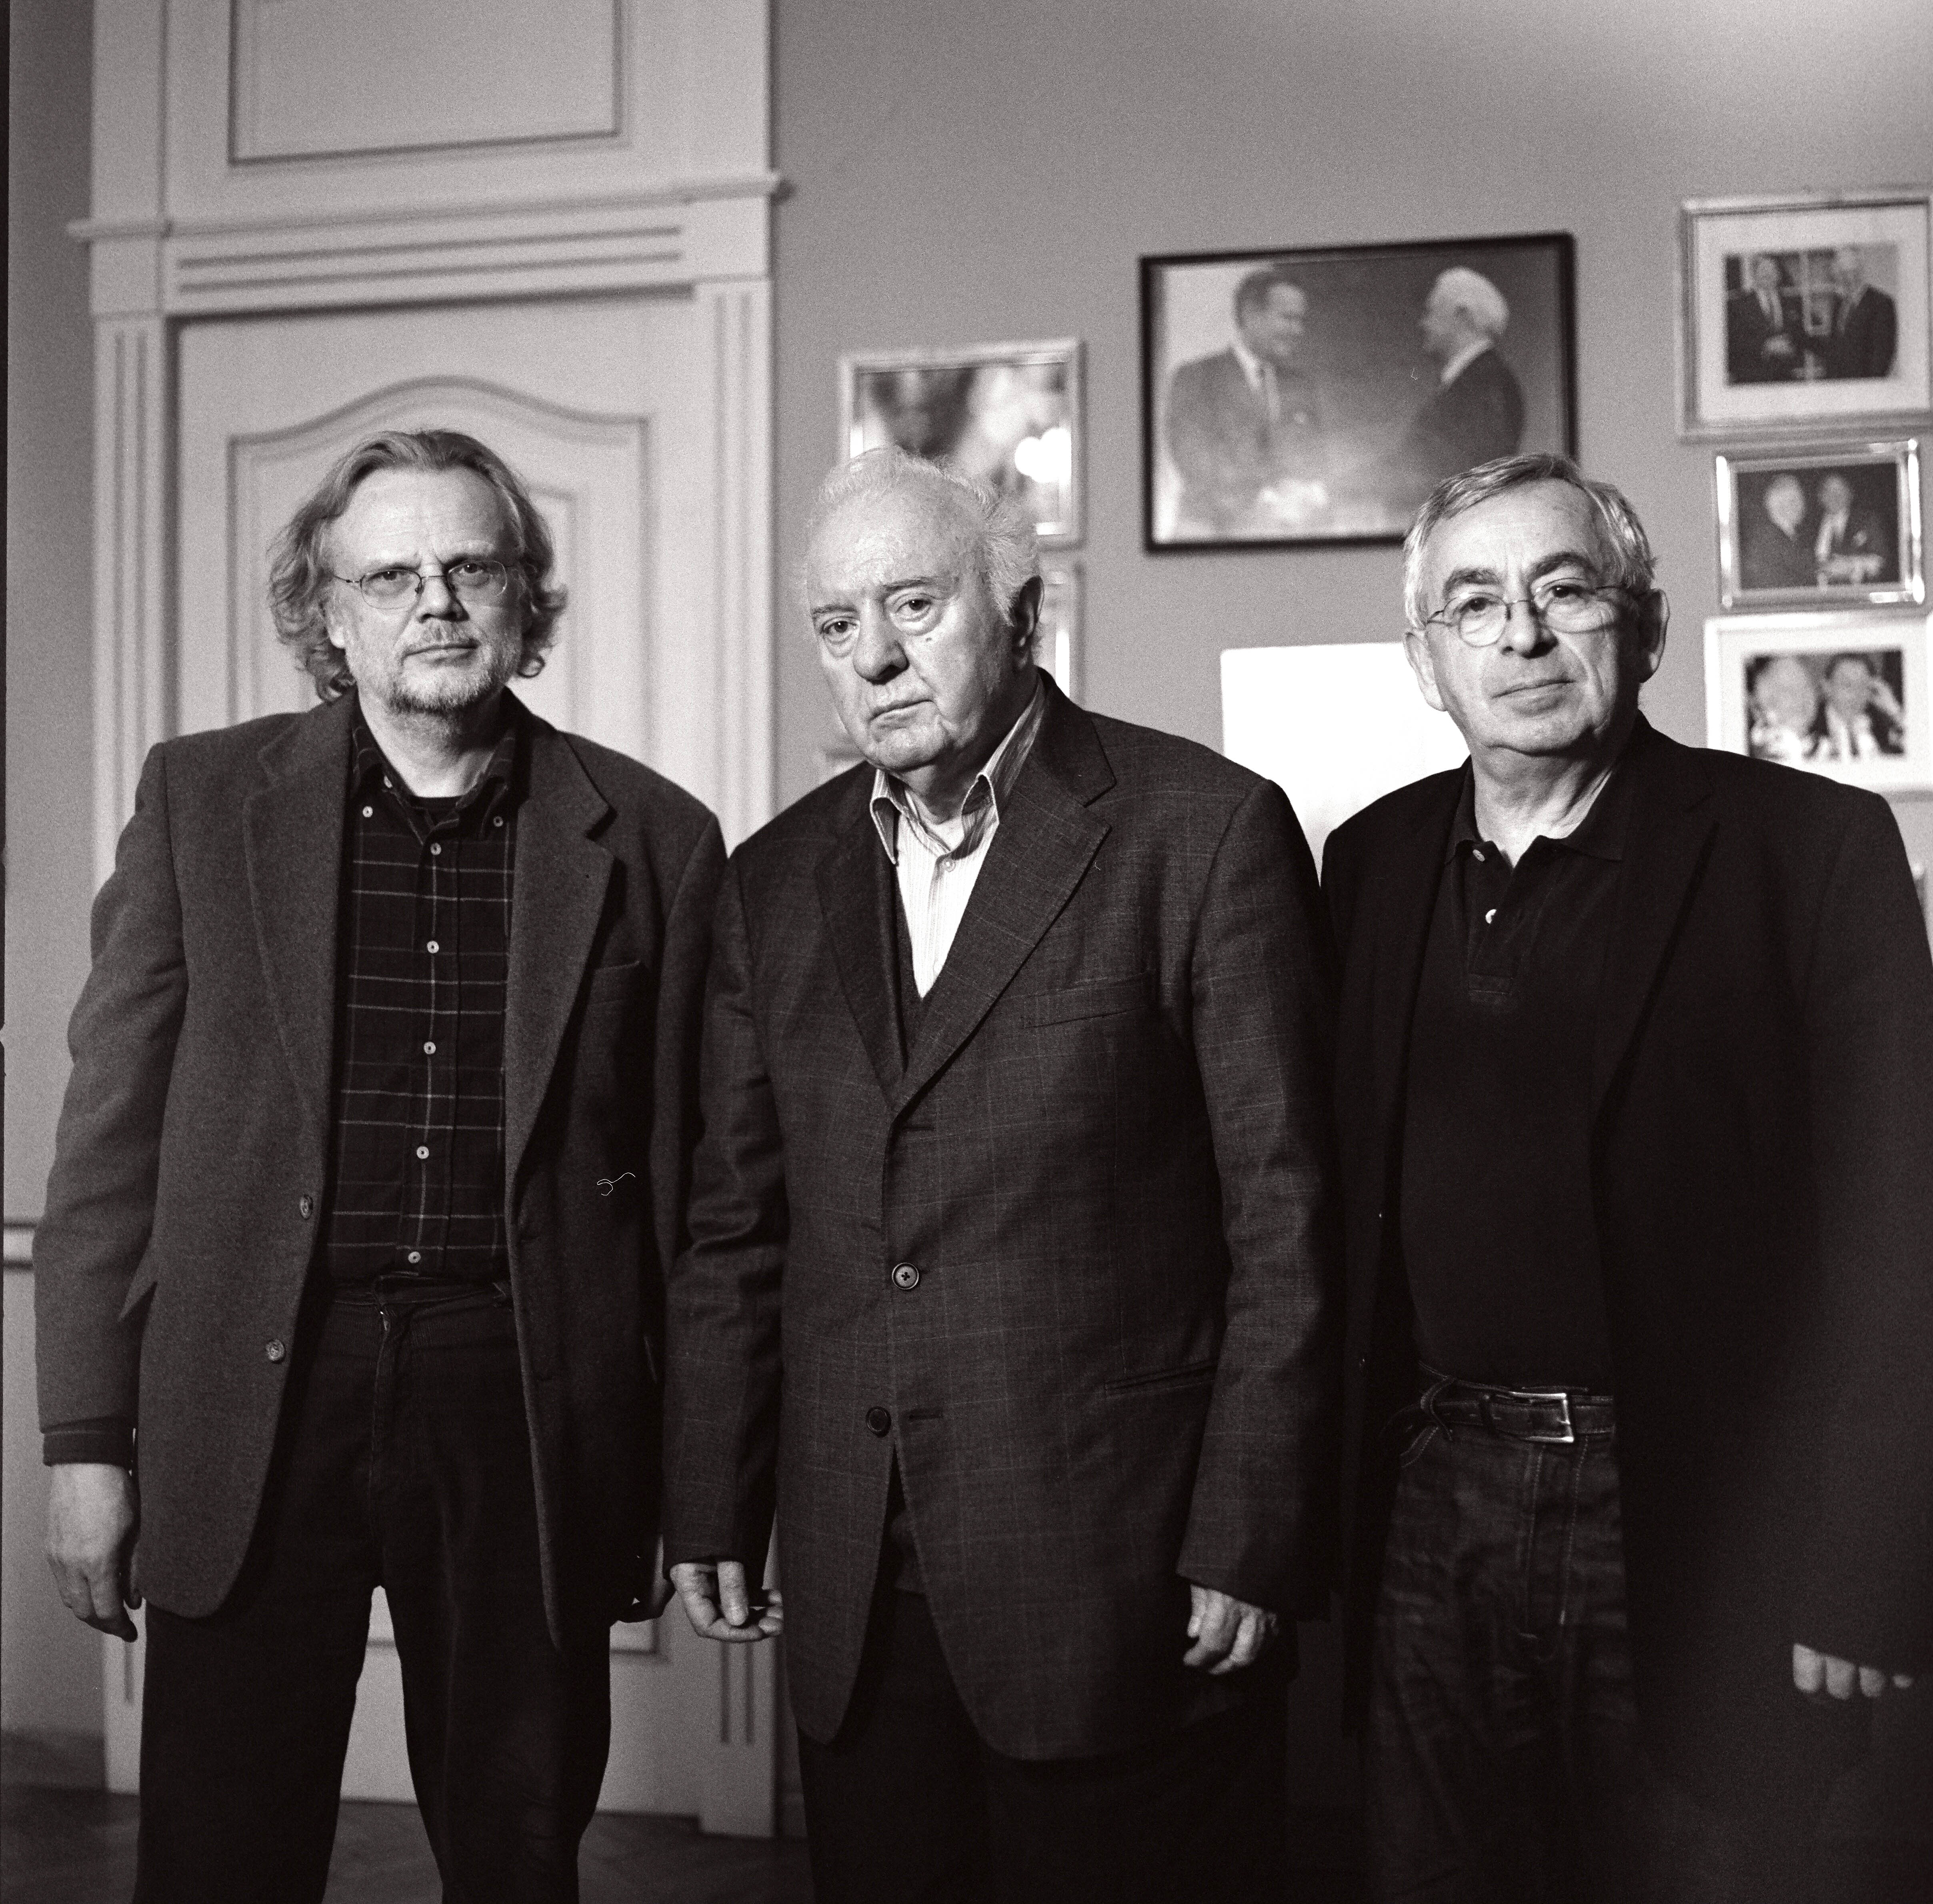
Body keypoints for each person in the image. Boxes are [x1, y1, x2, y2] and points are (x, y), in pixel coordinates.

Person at [37, 429, 724, 1903]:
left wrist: (694, 1473)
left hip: (522, 1389)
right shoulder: (201, 801)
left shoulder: (656, 838)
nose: (437, 602)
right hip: (256, 1386)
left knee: (516, 1848)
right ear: (328, 613)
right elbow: (108, 1142)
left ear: (526, 597)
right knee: (219, 1855)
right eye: (391, 575)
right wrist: (86, 1442)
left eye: (471, 566)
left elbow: (688, 1188)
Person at [663, 446, 1341, 1903]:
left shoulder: (1201, 831)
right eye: (836, 624)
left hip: (1121, 1571)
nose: (874, 655)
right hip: (855, 1571)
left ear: (1021, 612)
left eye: (913, 604)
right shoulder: (772, 880)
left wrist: (1251, 1526)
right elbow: (738, 1221)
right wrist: (712, 1489)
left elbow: (1284, 1216)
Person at [1324, 451, 1933, 1904]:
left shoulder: (1808, 849)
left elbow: (1898, 1232)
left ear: (1641, 625)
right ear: (1424, 658)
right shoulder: (1367, 861)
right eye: (1474, 603)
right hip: (1430, 1495)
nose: (1520, 635)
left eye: (1564, 591)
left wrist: (1861, 1569)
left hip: (1699, 1513)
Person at [1165, 264, 1328, 536]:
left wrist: (1310, 491)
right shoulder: (1197, 378)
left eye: (1300, 321)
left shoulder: (1301, 386)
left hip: (1289, 533)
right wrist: (1262, 499)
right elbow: (1194, 460)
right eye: (1287, 319)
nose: (1298, 330)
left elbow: (1316, 457)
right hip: (1211, 533)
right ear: (1251, 315)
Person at [1393, 267, 1526, 502]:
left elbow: (1472, 480)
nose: (1423, 324)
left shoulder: (1488, 384)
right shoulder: (1477, 381)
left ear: (1462, 316)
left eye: (1431, 312)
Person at [1811, 649, 1906, 759]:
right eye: (1847, 685)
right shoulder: (1810, 726)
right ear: (1827, 687)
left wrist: (1895, 711)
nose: (1856, 695)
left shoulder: (1882, 726)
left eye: (1863, 685)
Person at [1725, 253, 1804, 383]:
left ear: (1779, 275)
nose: (1768, 274)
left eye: (1772, 270)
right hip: (1752, 379)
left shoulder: (1791, 303)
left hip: (1784, 379)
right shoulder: (1739, 304)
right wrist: (1766, 347)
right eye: (1763, 270)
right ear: (1754, 274)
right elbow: (1734, 343)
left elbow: (1800, 338)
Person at [1824, 246, 1898, 380]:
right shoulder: (1839, 305)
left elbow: (1883, 355)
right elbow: (1835, 349)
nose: (1844, 279)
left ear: (1858, 272)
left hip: (1865, 387)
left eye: (1848, 272)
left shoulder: (1881, 303)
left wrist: (1867, 388)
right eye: (1840, 274)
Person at [1812, 470, 1895, 586]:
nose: (1834, 496)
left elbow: (1882, 562)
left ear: (1850, 494)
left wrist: (1851, 565)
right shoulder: (1811, 528)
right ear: (1820, 497)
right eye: (1828, 491)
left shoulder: (1867, 521)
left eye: (1839, 490)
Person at [1741, 471, 1815, 591]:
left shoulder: (1791, 536)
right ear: (1778, 505)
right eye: (1793, 501)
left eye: (1801, 499)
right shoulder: (1767, 540)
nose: (1801, 506)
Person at [1746, 652, 1821, 764]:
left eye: (1806, 688)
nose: (1802, 698)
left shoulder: (1827, 746)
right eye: (1788, 691)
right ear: (1767, 701)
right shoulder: (1759, 752)